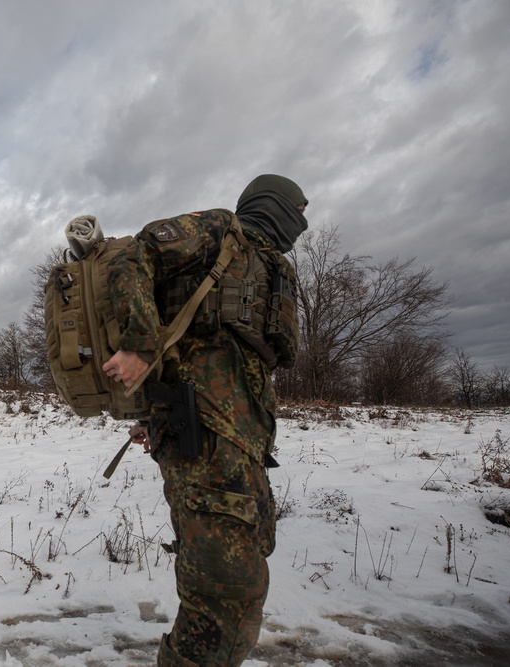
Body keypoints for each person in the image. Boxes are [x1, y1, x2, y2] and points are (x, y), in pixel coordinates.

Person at [102, 174, 309, 666]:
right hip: (206, 439)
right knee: (226, 600)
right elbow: (137, 256)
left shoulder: (268, 267)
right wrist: (139, 344)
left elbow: (234, 362)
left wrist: (154, 414)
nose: (303, 222)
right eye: (299, 210)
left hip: (243, 444)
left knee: (249, 561)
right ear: (276, 206)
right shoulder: (220, 230)